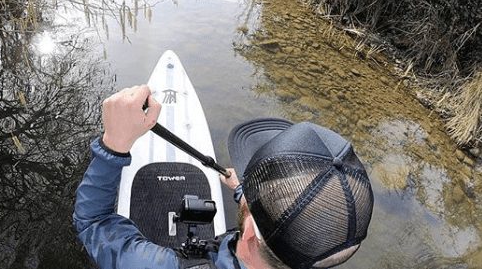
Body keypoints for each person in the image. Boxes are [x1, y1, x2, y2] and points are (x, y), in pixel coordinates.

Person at [73, 85, 374, 269]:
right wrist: (245, 192)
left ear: (251, 233)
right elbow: (293, 223)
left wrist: (112, 145)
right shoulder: (320, 248)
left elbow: (92, 223)